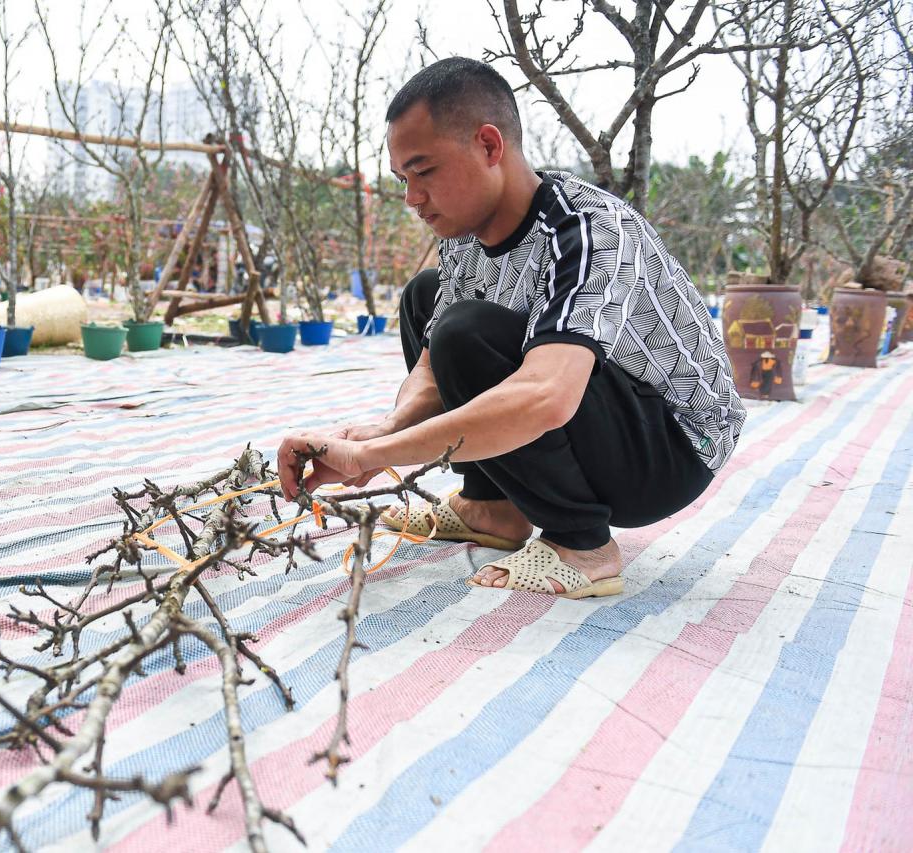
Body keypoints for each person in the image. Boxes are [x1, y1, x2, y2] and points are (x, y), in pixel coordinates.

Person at [276, 57, 745, 599]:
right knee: (426, 300)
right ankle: (493, 506)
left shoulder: (590, 229)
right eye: (403, 179)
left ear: (489, 146)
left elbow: (545, 396)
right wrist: (382, 432)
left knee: (464, 329)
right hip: (598, 416)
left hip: (671, 449)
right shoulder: (462, 237)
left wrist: (377, 458)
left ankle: (583, 545)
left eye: (424, 172)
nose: (411, 198)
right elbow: (433, 365)